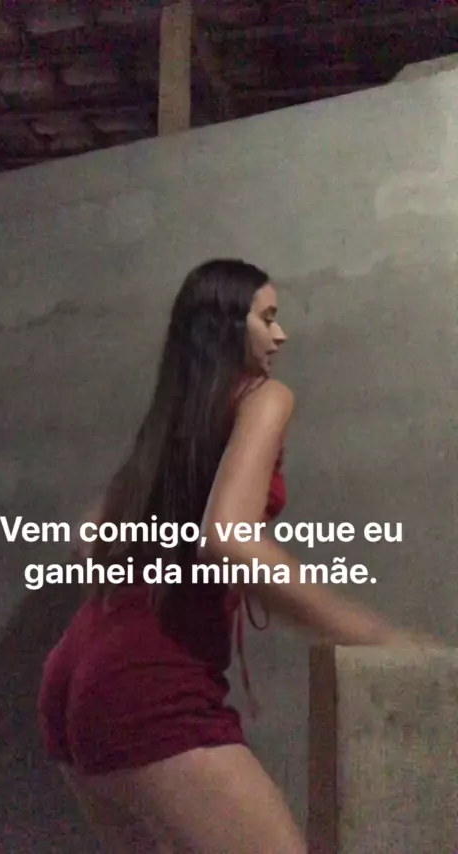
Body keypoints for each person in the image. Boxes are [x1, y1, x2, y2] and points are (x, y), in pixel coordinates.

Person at [38, 259, 431, 853]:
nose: (281, 335)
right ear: (225, 324)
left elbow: (89, 536)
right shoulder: (263, 398)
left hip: (75, 678)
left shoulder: (176, 416)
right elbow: (226, 539)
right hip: (150, 685)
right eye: (267, 318)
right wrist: (376, 635)